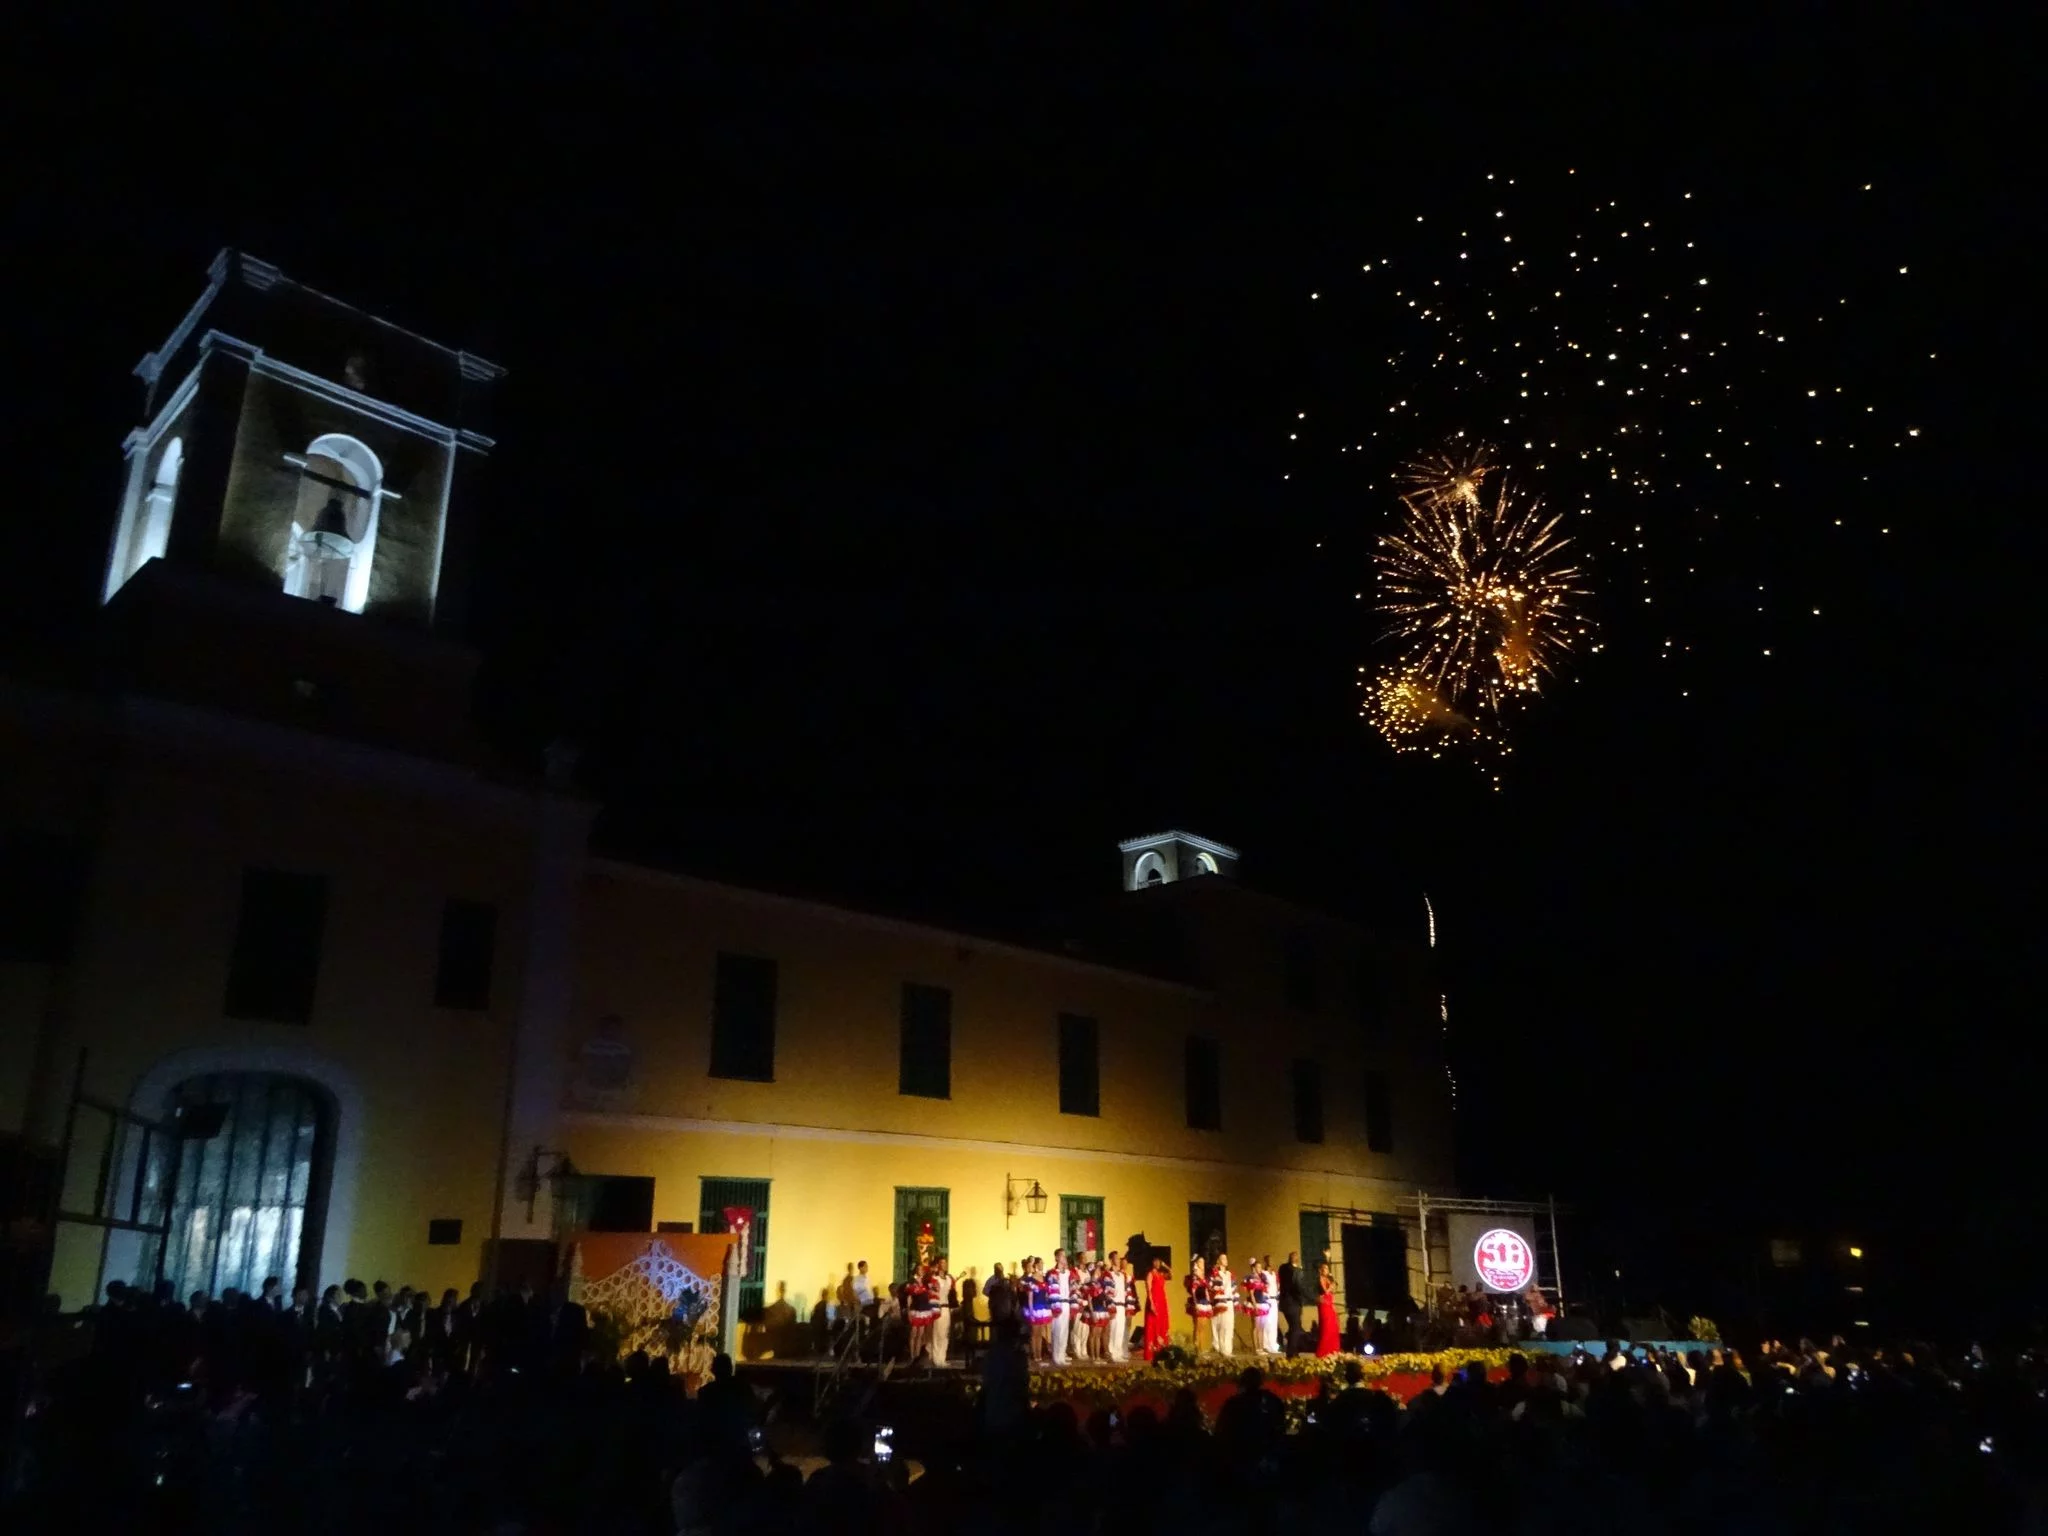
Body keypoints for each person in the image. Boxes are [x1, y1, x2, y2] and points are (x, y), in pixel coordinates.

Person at [1047, 1249, 1072, 1366]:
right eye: (1061, 1256)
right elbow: (1051, 1290)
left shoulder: (1067, 1273)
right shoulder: (1052, 1273)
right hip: (1058, 1303)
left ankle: (1062, 1354)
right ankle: (1056, 1355)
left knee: (1065, 1330)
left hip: (1066, 1303)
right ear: (1057, 1257)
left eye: (1064, 1256)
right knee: (1057, 1330)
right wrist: (1054, 1306)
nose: (1064, 1258)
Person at [1277, 1250, 1305, 1355]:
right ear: (1296, 1259)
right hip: (1292, 1303)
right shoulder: (1295, 1270)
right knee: (1296, 1328)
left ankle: (1293, 1351)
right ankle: (1291, 1353)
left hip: (1285, 1303)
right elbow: (1297, 1287)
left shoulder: (1283, 1268)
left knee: (1293, 1327)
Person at [1145, 1258, 1172, 1360]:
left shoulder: (1161, 1274)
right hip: (1154, 1301)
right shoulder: (1150, 1274)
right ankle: (1151, 1352)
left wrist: (1165, 1266)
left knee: (1162, 1324)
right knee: (1153, 1325)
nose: (1157, 1263)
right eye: (1155, 1261)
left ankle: (1162, 1349)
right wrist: (1151, 1303)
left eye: (1159, 1262)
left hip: (1162, 1301)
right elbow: (1148, 1289)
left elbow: (1170, 1275)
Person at [1209, 1253, 1235, 1358]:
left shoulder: (1229, 1274)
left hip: (1229, 1301)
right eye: (1223, 1259)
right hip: (1221, 1301)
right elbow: (1213, 1287)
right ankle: (1221, 1348)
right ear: (1219, 1262)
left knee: (1229, 1326)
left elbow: (1233, 1287)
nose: (1226, 1260)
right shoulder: (1216, 1274)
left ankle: (1228, 1350)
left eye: (1226, 1258)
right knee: (1222, 1325)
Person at [929, 1256, 954, 1366]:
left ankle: (942, 1358)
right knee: (937, 1333)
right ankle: (936, 1358)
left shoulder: (948, 1279)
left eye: (945, 1263)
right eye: (942, 1263)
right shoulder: (934, 1279)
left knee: (945, 1333)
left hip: (946, 1308)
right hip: (937, 1307)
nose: (944, 1265)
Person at [1105, 1253, 1130, 1364]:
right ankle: (1112, 1353)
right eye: (1116, 1258)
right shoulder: (1109, 1274)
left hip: (1122, 1305)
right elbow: (1107, 1292)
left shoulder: (1121, 1275)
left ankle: (1118, 1353)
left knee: (1120, 1330)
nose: (1118, 1261)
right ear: (1111, 1260)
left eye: (1119, 1259)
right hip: (1114, 1305)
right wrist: (1110, 1307)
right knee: (1113, 1330)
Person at [1185, 1255, 1211, 1355]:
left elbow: (1206, 1289)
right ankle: (1197, 1349)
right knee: (1198, 1326)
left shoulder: (1204, 1275)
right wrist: (1195, 1303)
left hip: (1205, 1301)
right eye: (1200, 1262)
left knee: (1203, 1327)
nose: (1202, 1264)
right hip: (1198, 1301)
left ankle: (1201, 1347)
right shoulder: (1195, 1275)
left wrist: (1209, 1301)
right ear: (1197, 1263)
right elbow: (1193, 1290)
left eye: (1203, 1262)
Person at [1315, 1262, 1341, 1357]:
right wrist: (1330, 1287)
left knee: (1333, 1327)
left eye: (1327, 1268)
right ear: (1321, 1270)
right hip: (1324, 1304)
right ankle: (1324, 1351)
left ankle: (1333, 1350)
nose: (1326, 1270)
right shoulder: (1320, 1278)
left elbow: (1333, 1290)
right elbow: (1325, 1292)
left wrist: (1333, 1284)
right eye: (1324, 1268)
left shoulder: (1328, 1279)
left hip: (1330, 1304)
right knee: (1326, 1326)